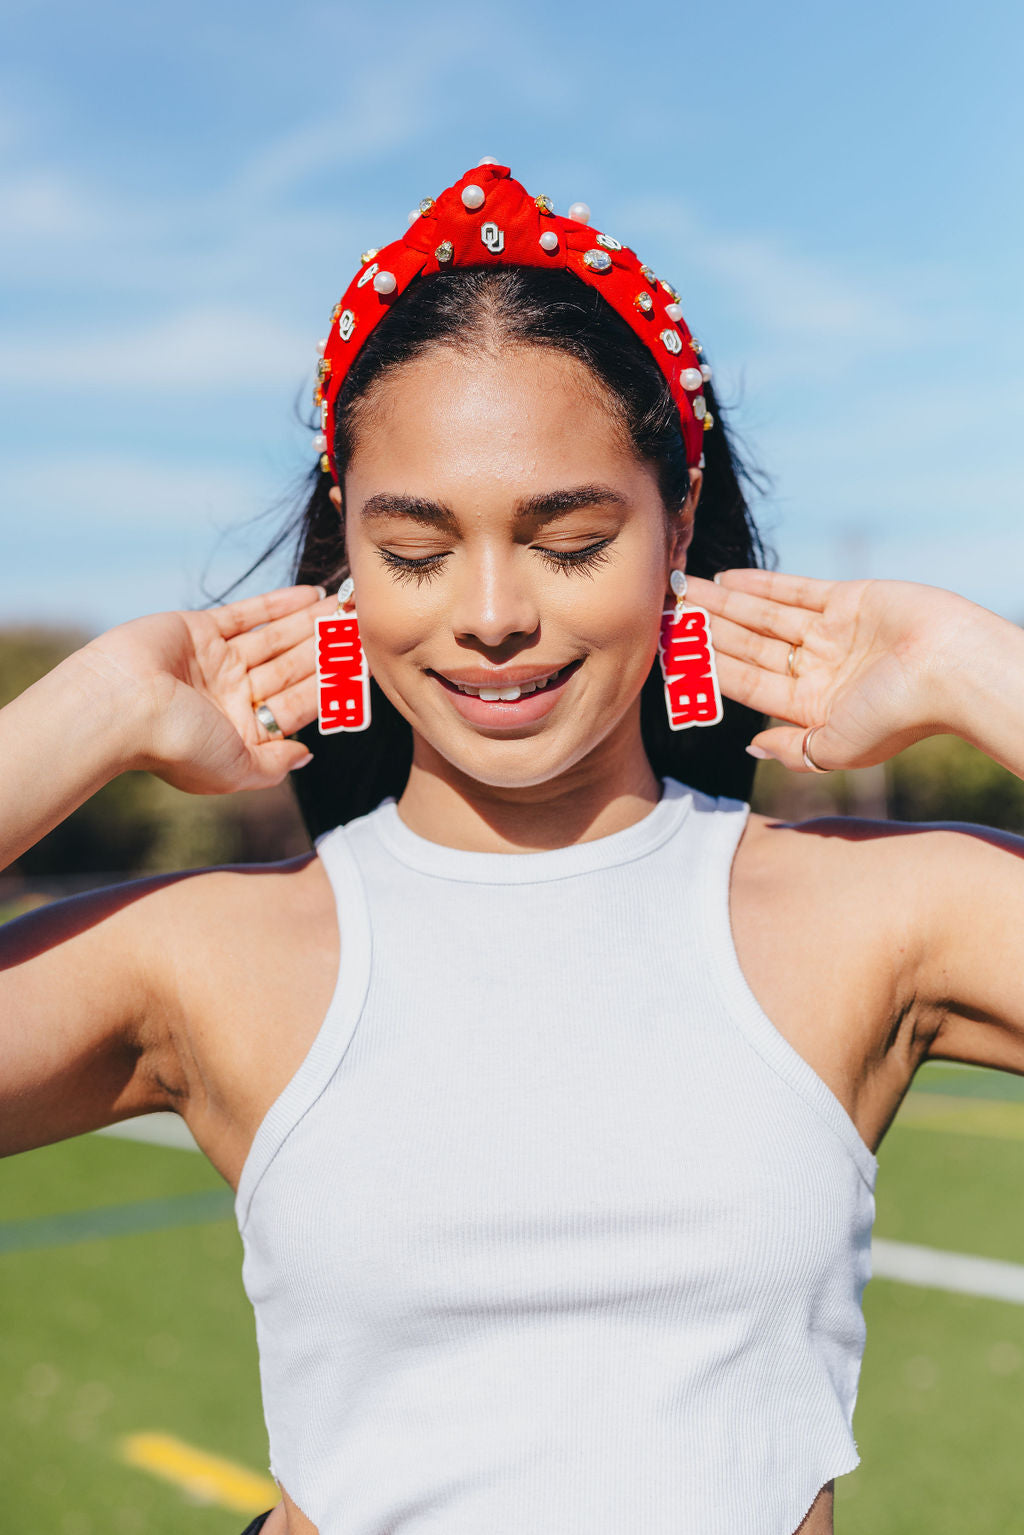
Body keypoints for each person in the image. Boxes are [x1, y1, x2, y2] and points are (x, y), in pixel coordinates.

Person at [3, 161, 1023, 1535]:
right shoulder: (212, 957)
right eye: (417, 550)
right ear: (345, 568)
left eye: (571, 539)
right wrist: (88, 716)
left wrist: (980, 669)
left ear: (675, 530)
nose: (491, 614)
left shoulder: (874, 916)